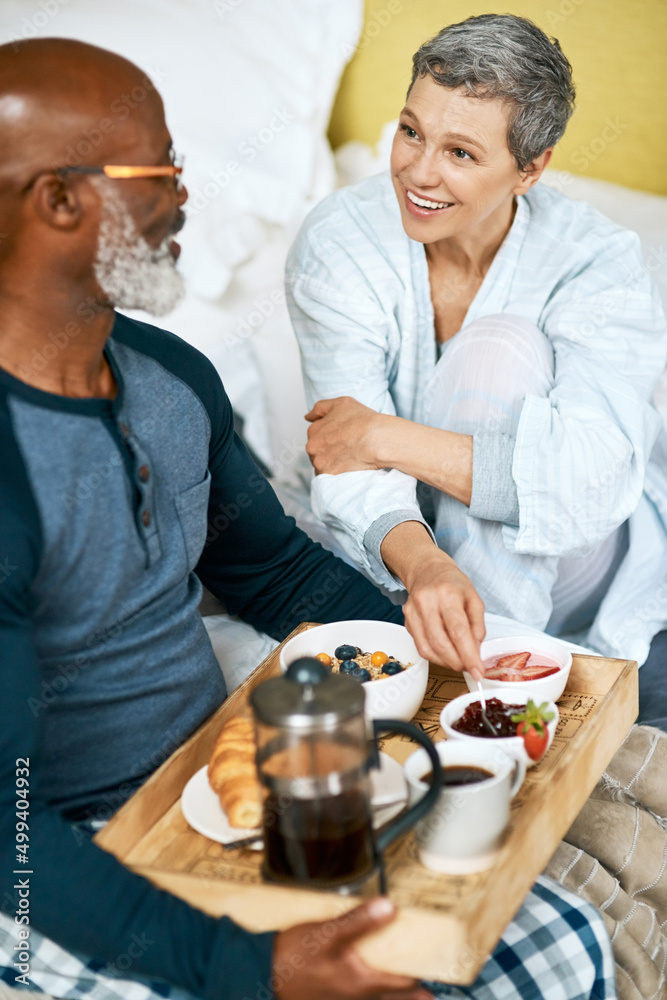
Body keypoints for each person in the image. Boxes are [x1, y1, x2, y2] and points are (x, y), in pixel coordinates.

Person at [0, 37, 615, 1000]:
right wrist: (254, 967)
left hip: (230, 790)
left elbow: (276, 573)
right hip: (62, 863)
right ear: (63, 202)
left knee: (562, 941)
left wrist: (462, 665)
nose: (184, 197)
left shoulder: (174, 381)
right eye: (160, 170)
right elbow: (6, 829)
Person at [286, 13, 667, 720]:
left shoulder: (597, 261)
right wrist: (424, 561)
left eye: (460, 153)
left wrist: (383, 435)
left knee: (497, 347)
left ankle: (487, 682)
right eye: (410, 132)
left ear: (531, 167)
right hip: (414, 553)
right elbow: (343, 459)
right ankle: (491, 686)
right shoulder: (339, 240)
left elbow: (585, 481)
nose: (418, 173)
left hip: (579, 556)